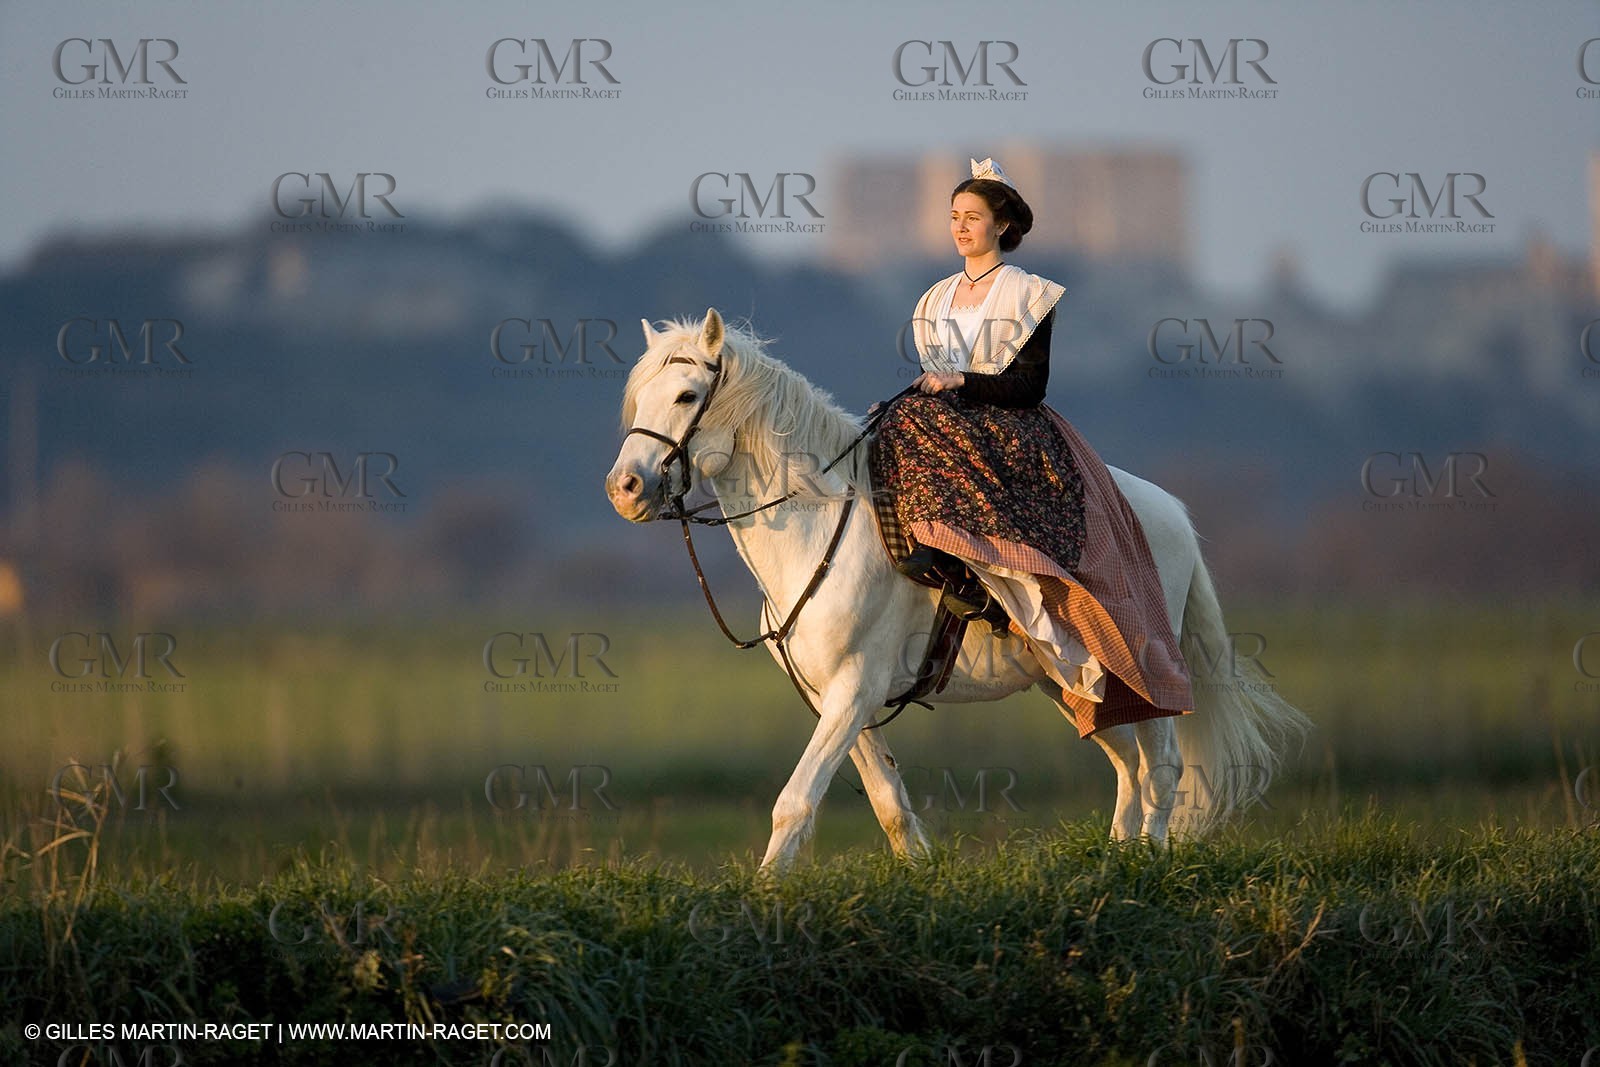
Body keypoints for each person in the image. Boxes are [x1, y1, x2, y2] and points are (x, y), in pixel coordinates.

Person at [869, 157, 1193, 738]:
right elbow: (934, 376)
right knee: (885, 428)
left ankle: (971, 572)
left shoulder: (1028, 293)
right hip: (946, 418)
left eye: (972, 217)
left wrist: (962, 381)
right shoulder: (934, 298)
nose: (960, 227)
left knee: (925, 433)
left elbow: (1031, 386)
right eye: (954, 216)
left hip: (1009, 423)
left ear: (1001, 225)